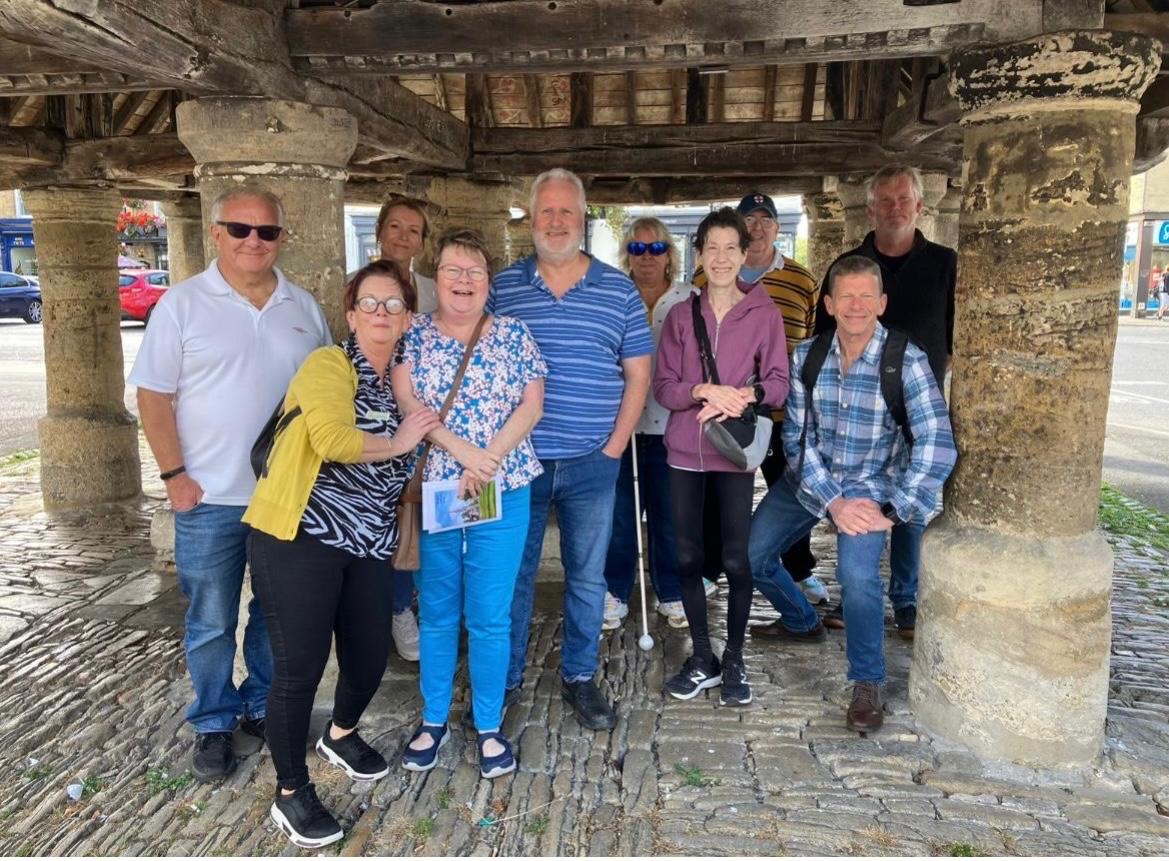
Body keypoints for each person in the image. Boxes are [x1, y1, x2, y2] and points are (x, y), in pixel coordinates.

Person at [128, 186, 332, 782]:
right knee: (211, 620)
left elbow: (325, 393)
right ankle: (214, 720)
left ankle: (261, 704)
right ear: (216, 232)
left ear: (281, 238)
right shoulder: (182, 304)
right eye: (240, 228)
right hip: (208, 496)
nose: (253, 241)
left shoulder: (303, 306)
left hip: (284, 497)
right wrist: (175, 477)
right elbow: (153, 395)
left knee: (275, 614)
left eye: (266, 231)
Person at [244, 260, 441, 849]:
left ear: (407, 318)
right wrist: (401, 440)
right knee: (300, 669)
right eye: (369, 303)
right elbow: (331, 439)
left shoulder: (401, 380)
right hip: (299, 536)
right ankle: (290, 791)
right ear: (351, 315)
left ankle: (340, 733)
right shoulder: (329, 364)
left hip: (371, 542)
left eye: (394, 304)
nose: (382, 313)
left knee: (368, 658)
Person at [748, 255, 955, 732]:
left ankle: (867, 680)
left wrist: (894, 511)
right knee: (748, 554)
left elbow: (937, 442)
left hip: (872, 486)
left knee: (858, 577)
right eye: (846, 296)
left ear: (881, 302)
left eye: (866, 296)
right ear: (829, 304)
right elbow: (796, 440)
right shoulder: (807, 356)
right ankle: (802, 621)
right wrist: (833, 502)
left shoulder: (906, 360)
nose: (856, 305)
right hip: (814, 481)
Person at [491, 168, 653, 731]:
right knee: (512, 575)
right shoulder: (503, 288)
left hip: (591, 463)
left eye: (567, 211)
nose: (556, 221)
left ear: (583, 218)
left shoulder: (618, 290)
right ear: (531, 220)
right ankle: (505, 678)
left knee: (587, 578)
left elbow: (638, 375)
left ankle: (580, 676)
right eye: (547, 211)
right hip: (517, 465)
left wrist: (614, 448)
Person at [391, 228, 546, 777]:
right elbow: (407, 400)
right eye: (453, 270)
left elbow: (532, 405)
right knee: (437, 611)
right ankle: (433, 719)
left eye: (475, 271)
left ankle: (487, 725)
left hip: (502, 487)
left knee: (489, 615)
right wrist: (463, 453)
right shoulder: (413, 334)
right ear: (435, 279)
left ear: (488, 281)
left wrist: (489, 459)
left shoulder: (514, 334)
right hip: (437, 489)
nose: (464, 280)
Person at [812, 164, 957, 638]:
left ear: (919, 206)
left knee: (910, 505)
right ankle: (855, 590)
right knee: (855, 497)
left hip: (915, 403)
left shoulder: (945, 264)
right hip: (858, 409)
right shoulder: (847, 265)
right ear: (871, 208)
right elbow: (823, 339)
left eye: (903, 200)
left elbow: (958, 335)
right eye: (885, 201)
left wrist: (919, 381)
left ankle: (906, 598)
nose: (895, 208)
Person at [654, 206, 789, 706]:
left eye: (731, 248)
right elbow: (665, 388)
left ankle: (734, 657)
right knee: (688, 556)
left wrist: (742, 396)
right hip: (685, 451)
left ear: (744, 253)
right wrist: (704, 389)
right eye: (712, 248)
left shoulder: (764, 313)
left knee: (735, 557)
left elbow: (779, 383)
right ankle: (702, 657)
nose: (722, 257)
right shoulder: (680, 315)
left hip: (733, 452)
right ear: (699, 255)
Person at [693, 192, 826, 606]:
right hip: (725, 409)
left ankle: (799, 570)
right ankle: (710, 568)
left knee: (790, 488)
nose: (758, 227)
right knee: (718, 493)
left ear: (777, 228)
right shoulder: (706, 277)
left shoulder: (802, 280)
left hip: (784, 409)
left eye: (766, 219)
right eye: (749, 219)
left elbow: (812, 339)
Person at [602, 217, 691, 631]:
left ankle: (671, 591)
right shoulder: (613, 296)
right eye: (638, 249)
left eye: (656, 248)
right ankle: (615, 591)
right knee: (620, 518)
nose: (647, 257)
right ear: (628, 255)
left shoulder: (690, 298)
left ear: (669, 254)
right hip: (624, 425)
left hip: (673, 426)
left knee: (669, 518)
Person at [374, 195, 437, 660]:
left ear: (422, 241)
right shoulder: (358, 285)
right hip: (379, 419)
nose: (402, 236)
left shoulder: (434, 290)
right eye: (394, 226)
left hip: (430, 422)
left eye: (413, 230)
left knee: (427, 520)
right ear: (380, 231)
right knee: (390, 520)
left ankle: (427, 605)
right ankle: (397, 609)